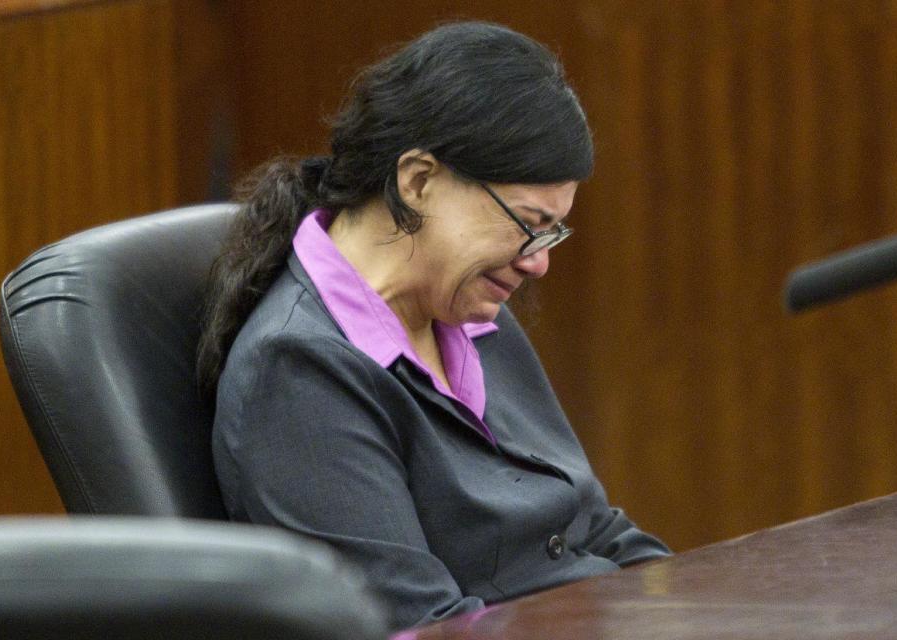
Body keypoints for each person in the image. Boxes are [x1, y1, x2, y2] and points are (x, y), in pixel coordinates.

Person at [197, 21, 669, 631]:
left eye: (552, 232)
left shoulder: (470, 310)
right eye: (528, 224)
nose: (539, 261)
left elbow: (595, 527)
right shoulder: (296, 373)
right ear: (417, 181)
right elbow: (422, 625)